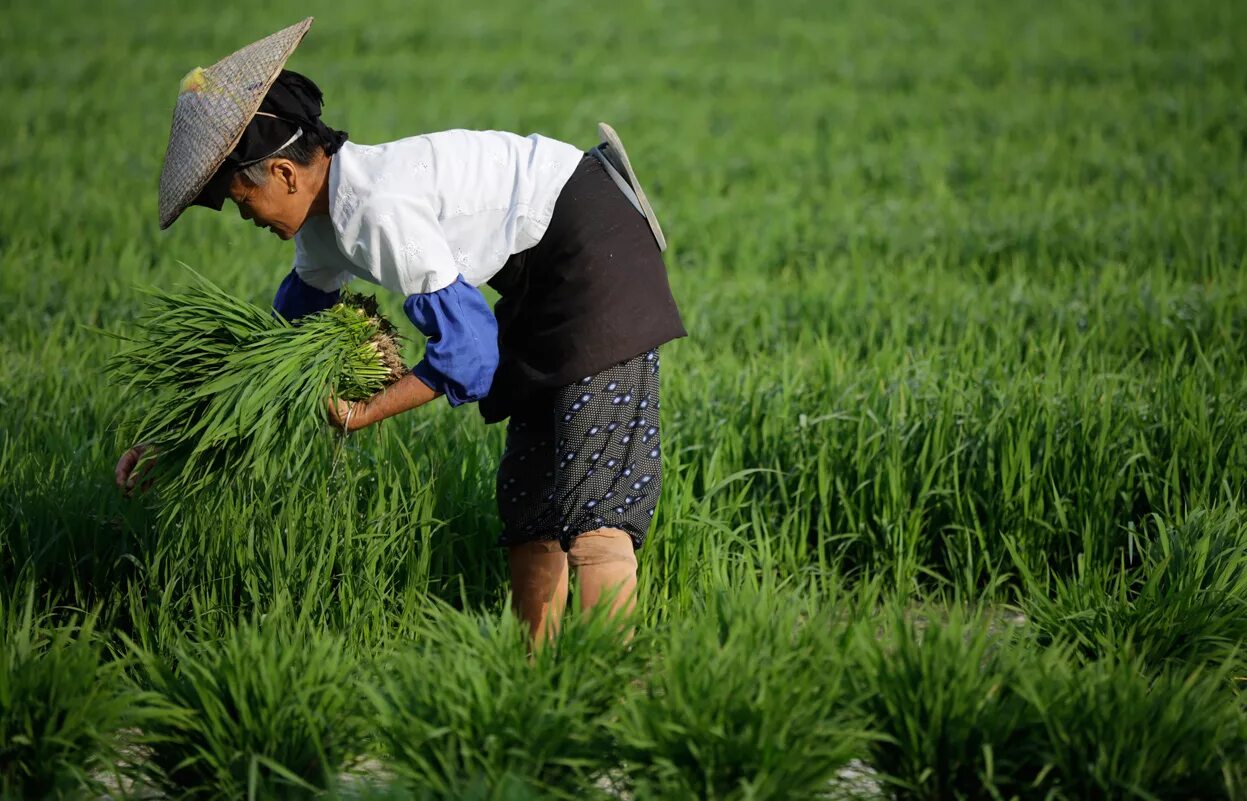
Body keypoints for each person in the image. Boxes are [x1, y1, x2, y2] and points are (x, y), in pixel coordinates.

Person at [113, 18, 685, 644]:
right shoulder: (322, 231)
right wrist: (179, 439)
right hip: (538, 274)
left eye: (242, 199)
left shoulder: (376, 210)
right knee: (532, 502)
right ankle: (535, 682)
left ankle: (612, 687)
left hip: (596, 249)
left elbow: (470, 352)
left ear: (283, 174)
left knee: (596, 511)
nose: (244, 216)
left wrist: (365, 411)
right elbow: (271, 356)